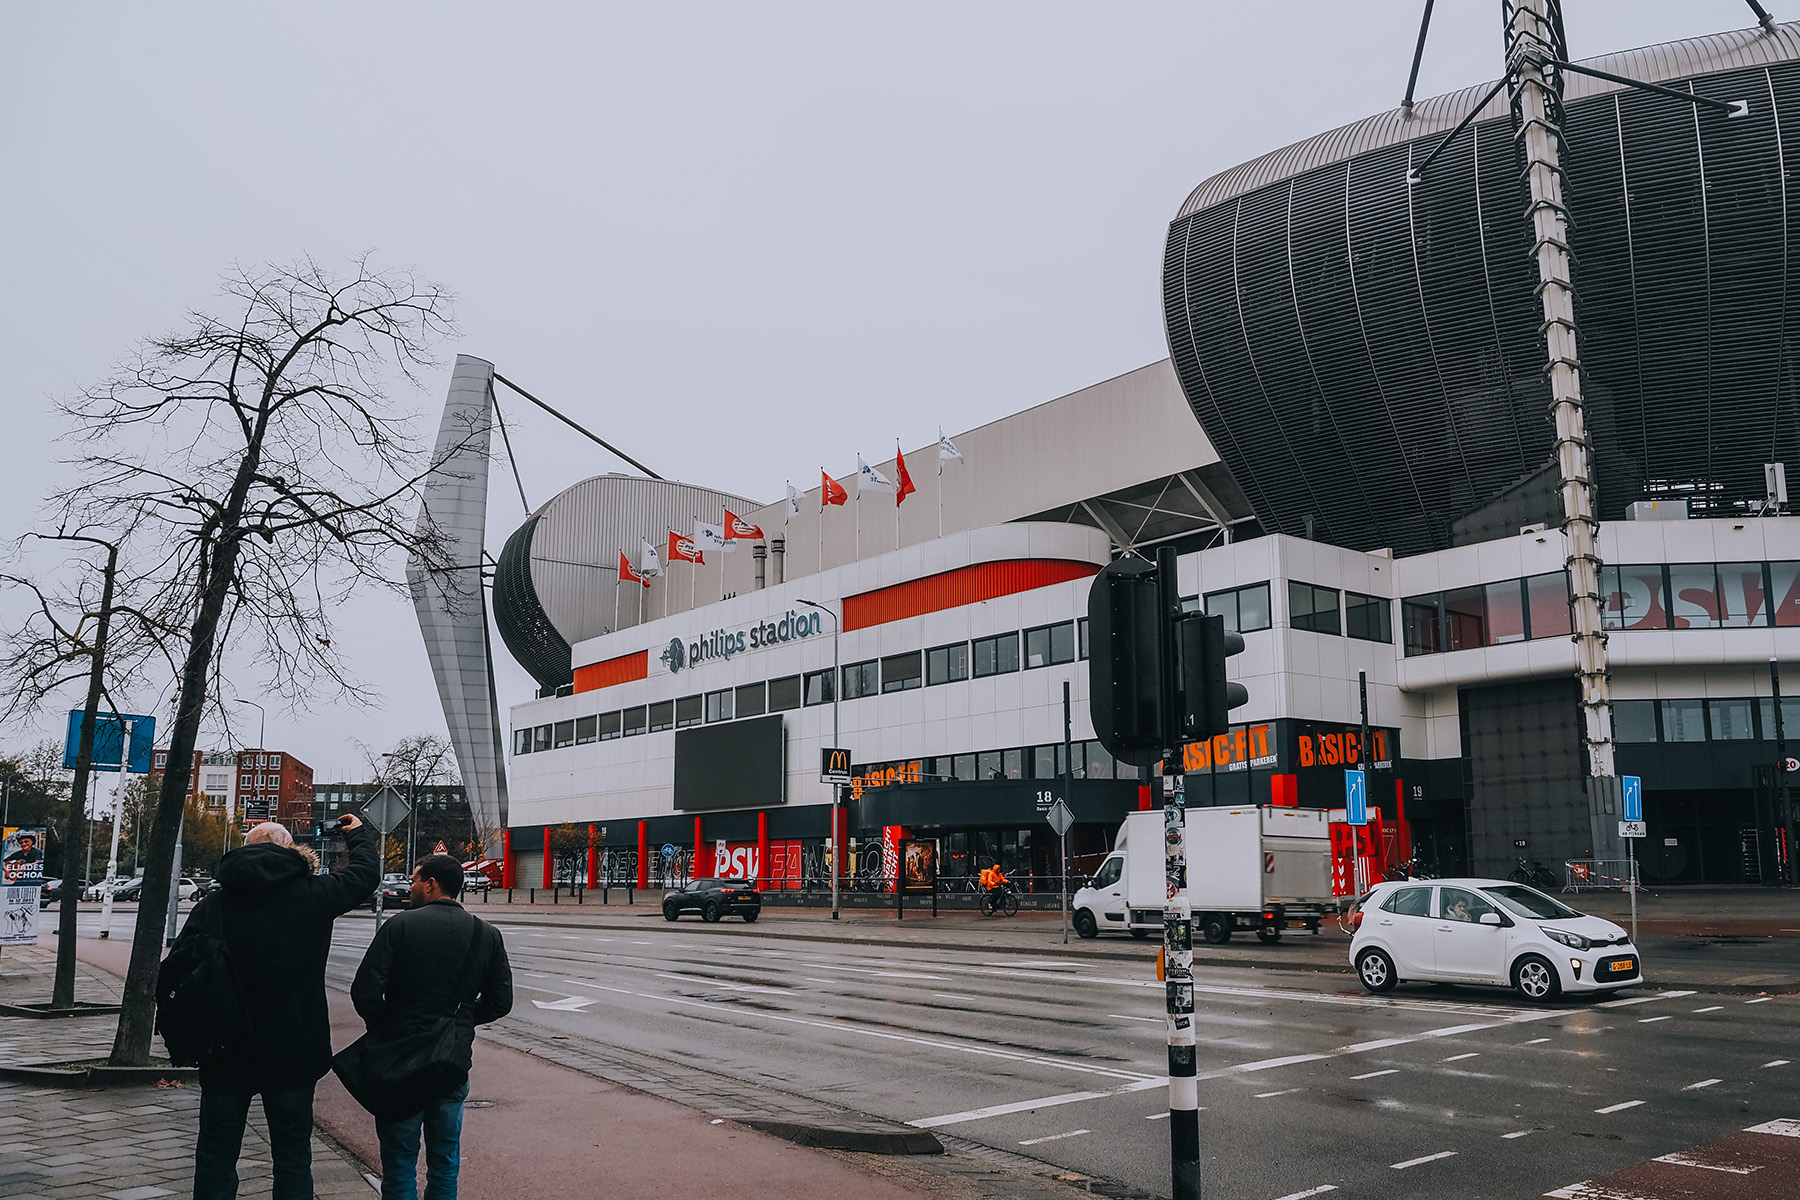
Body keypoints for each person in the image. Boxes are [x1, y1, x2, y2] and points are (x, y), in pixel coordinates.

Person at [177, 815, 378, 1200]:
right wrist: (356, 834)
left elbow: (183, 970)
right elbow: (365, 876)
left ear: (245, 852)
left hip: (225, 1048)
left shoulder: (215, 905)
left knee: (217, 1153)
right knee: (293, 1154)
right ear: (291, 851)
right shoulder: (315, 895)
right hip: (293, 1049)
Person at [352, 854, 512, 1200]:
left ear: (431, 884)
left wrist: (386, 1025)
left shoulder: (400, 926)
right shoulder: (486, 934)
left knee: (399, 1162)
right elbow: (501, 1002)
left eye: (413, 880)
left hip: (400, 1060)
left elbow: (365, 992)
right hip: (451, 1061)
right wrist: (460, 1019)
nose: (409, 887)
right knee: (445, 1160)